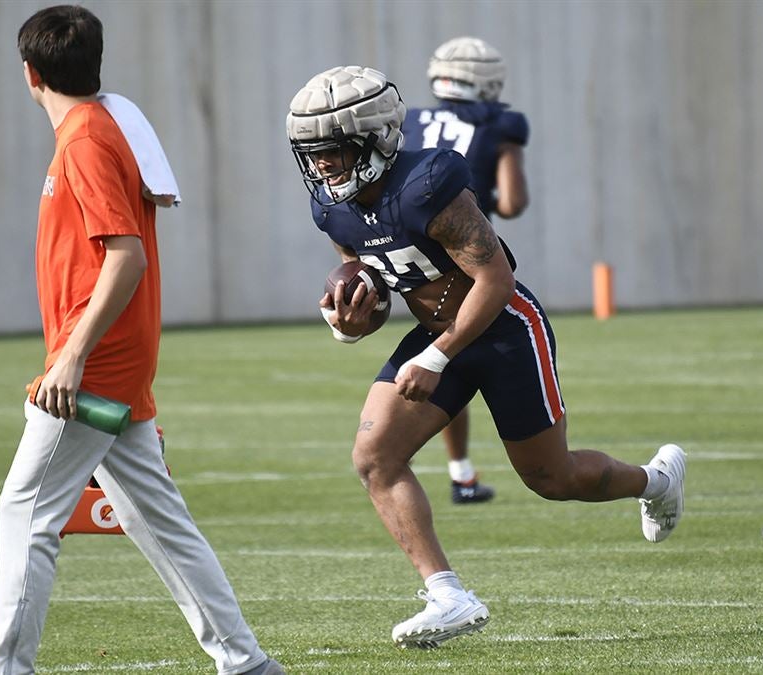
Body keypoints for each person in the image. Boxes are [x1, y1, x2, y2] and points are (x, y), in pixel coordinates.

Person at [287, 65, 686, 648]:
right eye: (312, 154)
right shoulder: (333, 209)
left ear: (371, 140)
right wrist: (350, 323)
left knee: (554, 478)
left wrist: (440, 355)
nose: (321, 167)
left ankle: (655, 482)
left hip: (502, 329)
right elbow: (379, 283)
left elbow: (496, 279)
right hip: (436, 333)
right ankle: (448, 594)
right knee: (375, 457)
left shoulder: (430, 182)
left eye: (333, 152)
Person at [0, 7, 283, 673]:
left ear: (30, 74)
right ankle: (246, 661)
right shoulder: (104, 124)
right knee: (159, 520)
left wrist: (71, 356)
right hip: (114, 360)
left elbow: (126, 258)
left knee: (25, 513)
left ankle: (6, 667)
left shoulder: (87, 139)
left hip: (93, 365)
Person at [400, 36, 530, 505]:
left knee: (442, 355)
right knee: (459, 359)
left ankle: (461, 472)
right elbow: (513, 203)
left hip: (413, 264)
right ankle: (451, 472)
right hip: (470, 264)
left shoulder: (410, 119)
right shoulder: (501, 122)